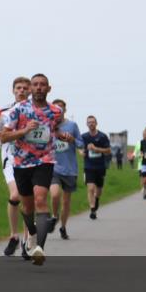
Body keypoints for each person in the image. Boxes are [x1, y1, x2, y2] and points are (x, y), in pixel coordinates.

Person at [0, 74, 76, 266]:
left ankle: (39, 248)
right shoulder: (18, 110)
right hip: (22, 163)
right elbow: (3, 137)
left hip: (45, 161)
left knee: (41, 199)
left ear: (49, 89)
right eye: (35, 85)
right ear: (31, 89)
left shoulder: (56, 111)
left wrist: (61, 135)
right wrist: (24, 131)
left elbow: (53, 128)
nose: (39, 88)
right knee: (27, 206)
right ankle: (31, 233)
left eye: (43, 85)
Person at [0, 76, 30, 256]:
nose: (21, 90)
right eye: (18, 88)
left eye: (24, 88)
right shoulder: (3, 111)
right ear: (13, 90)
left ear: (29, 91)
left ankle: (26, 240)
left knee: (27, 199)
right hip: (10, 158)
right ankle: (13, 235)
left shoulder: (35, 111)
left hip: (30, 159)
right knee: (15, 195)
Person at [49, 99, 83, 239]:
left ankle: (63, 227)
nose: (58, 110)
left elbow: (81, 144)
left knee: (66, 201)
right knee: (55, 194)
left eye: (61, 108)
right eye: (55, 108)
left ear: (64, 110)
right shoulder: (48, 125)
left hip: (70, 169)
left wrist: (72, 140)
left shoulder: (72, 125)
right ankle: (54, 216)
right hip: (53, 167)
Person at [81, 116, 112, 220]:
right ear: (86, 124)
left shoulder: (102, 136)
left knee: (98, 190)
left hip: (100, 166)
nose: (91, 124)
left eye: (93, 122)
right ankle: (92, 210)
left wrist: (96, 149)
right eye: (89, 122)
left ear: (96, 123)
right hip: (88, 166)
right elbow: (79, 148)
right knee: (90, 188)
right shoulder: (84, 136)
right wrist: (81, 152)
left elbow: (108, 151)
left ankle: (97, 199)